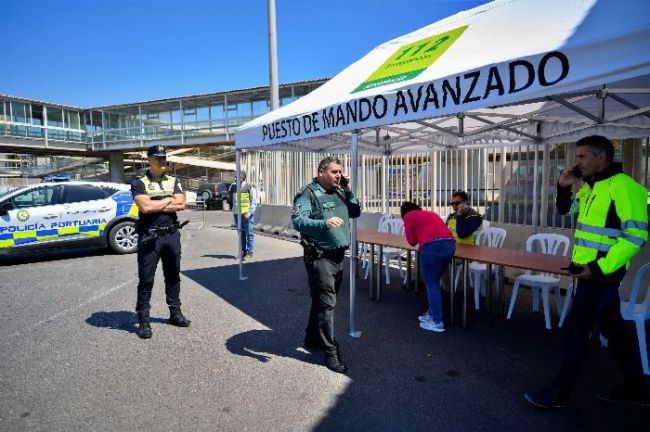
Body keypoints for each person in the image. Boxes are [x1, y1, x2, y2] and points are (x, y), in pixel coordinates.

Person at [525, 135, 649, 408]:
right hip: (588, 271)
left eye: (581, 157)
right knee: (613, 328)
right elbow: (565, 210)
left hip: (601, 273)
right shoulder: (591, 187)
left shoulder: (625, 187)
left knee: (576, 330)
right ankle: (638, 386)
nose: (576, 162)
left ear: (600, 156)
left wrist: (597, 268)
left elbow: (636, 235)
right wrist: (563, 186)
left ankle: (559, 393)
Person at [291, 156, 361, 374]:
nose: (338, 175)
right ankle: (331, 352)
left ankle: (311, 337)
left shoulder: (340, 190)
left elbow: (355, 212)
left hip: (338, 255)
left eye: (340, 171)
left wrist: (349, 190)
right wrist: (324, 223)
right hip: (320, 257)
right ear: (321, 172)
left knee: (322, 301)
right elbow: (298, 221)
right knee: (327, 303)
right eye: (334, 172)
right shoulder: (308, 193)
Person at [131, 145, 191, 339]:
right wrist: (167, 200)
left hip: (171, 235)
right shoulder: (139, 182)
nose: (162, 160)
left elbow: (181, 204)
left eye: (164, 157)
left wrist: (158, 202)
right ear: (149, 159)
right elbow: (145, 207)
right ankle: (144, 321)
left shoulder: (174, 180)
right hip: (150, 236)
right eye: (158, 157)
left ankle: (175, 313)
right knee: (146, 279)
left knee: (173, 276)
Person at [401, 202, 456, 332]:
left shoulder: (409, 216)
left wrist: (410, 228)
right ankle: (431, 314)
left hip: (431, 248)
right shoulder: (430, 213)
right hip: (449, 246)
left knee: (431, 284)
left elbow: (412, 241)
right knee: (434, 282)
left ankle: (437, 321)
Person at [232, 170, 257, 260]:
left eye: (236, 177)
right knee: (241, 234)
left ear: (242, 177)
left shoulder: (250, 188)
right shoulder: (235, 188)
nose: (235, 178)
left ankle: (250, 252)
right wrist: (234, 214)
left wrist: (249, 213)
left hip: (247, 215)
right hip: (238, 215)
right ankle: (243, 251)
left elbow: (254, 202)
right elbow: (234, 203)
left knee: (249, 234)